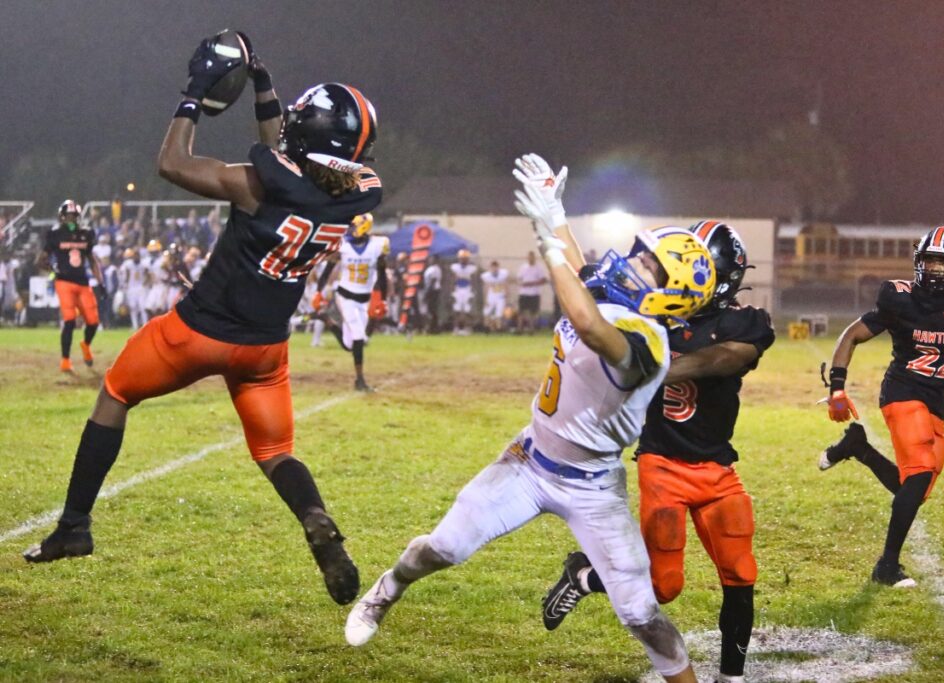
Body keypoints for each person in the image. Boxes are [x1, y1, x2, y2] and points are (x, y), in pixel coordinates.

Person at [23, 34, 382, 608]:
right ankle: (316, 520)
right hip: (265, 351)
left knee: (114, 395)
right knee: (276, 453)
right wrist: (265, 88)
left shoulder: (251, 184)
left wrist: (193, 93)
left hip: (196, 335)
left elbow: (171, 163)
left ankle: (73, 526)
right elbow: (292, 161)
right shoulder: (355, 196)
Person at [344, 154, 715, 683]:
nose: (634, 264)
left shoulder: (650, 344)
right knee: (444, 547)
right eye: (642, 254)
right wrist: (554, 212)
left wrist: (546, 242)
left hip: (594, 487)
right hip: (529, 460)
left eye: (651, 267)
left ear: (673, 295)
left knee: (640, 615)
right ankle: (387, 590)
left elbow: (587, 324)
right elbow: (579, 268)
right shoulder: (610, 292)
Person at [540, 222, 773, 683]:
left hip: (718, 465)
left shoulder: (742, 322)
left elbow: (723, 358)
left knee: (741, 572)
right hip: (662, 461)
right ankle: (585, 575)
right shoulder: (652, 308)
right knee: (664, 587)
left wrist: (648, 368)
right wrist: (555, 220)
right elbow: (584, 275)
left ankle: (733, 678)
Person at [818, 226, 944, 587]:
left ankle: (858, 447)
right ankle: (886, 566)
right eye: (929, 262)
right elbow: (852, 334)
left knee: (915, 489)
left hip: (936, 399)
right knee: (918, 475)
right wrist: (837, 387)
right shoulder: (900, 298)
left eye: (943, 264)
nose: (934, 271)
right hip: (901, 392)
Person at [313, 212, 389, 391]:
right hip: (345, 296)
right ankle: (360, 381)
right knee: (358, 337)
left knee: (351, 345)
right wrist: (318, 292)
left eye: (354, 226)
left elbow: (383, 275)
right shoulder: (342, 245)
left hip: (364, 299)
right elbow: (328, 270)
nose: (350, 229)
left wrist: (383, 300)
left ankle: (327, 320)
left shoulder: (378, 245)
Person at [38, 200, 107, 372]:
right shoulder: (55, 235)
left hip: (83, 282)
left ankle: (86, 344)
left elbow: (92, 261)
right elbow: (40, 260)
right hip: (64, 282)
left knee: (93, 322)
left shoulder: (86, 234)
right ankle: (65, 360)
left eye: (74, 216)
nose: (71, 219)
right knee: (69, 321)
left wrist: (101, 281)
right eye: (68, 216)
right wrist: (52, 269)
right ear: (62, 217)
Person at [517, 250, 547, 333]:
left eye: (532, 257)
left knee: (533, 312)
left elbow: (544, 280)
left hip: (534, 293)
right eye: (529, 257)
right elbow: (519, 278)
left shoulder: (539, 268)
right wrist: (522, 284)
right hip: (524, 292)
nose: (530, 259)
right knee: (521, 311)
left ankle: (531, 328)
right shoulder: (523, 267)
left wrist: (533, 283)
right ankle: (520, 328)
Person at [449, 248, 477, 335]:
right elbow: (453, 279)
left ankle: (467, 328)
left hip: (467, 289)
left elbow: (473, 279)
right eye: (462, 258)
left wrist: (473, 289)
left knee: (467, 310)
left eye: (465, 258)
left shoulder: (472, 268)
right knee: (457, 309)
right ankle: (456, 328)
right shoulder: (455, 267)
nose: (463, 260)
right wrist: (452, 288)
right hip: (458, 289)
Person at [118, 248, 147, 330]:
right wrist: (126, 285)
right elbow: (127, 275)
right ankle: (135, 325)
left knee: (142, 307)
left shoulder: (143, 264)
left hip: (140, 287)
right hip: (132, 287)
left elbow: (147, 274)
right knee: (133, 307)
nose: (136, 257)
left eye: (137, 255)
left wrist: (145, 283)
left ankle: (145, 324)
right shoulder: (128, 264)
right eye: (135, 255)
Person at [480, 260, 509, 332]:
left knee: (499, 313)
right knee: (486, 312)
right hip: (491, 295)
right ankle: (486, 328)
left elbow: (505, 284)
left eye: (495, 267)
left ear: (498, 267)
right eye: (493, 267)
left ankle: (498, 328)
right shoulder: (487, 276)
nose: (494, 269)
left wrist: (507, 293)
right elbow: (486, 287)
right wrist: (485, 299)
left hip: (500, 295)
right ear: (490, 268)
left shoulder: (502, 274)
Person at [421, 256, 442, 333]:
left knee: (431, 310)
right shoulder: (431, 268)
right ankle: (433, 327)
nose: (430, 260)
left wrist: (427, 293)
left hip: (433, 291)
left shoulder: (435, 269)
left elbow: (433, 281)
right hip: (431, 290)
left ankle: (432, 327)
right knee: (431, 310)